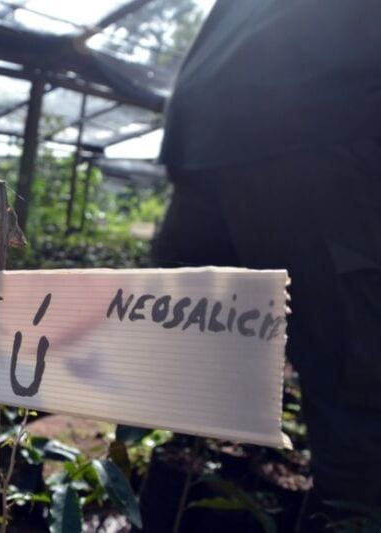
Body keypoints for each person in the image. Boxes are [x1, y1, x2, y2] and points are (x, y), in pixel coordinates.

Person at [153, 0, 381, 527]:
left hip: (203, 124)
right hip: (319, 112)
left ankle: (185, 481)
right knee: (359, 383)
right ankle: (350, 516)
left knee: (190, 349)